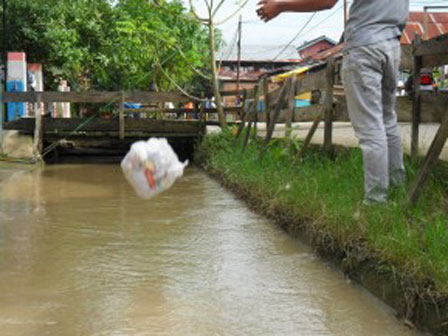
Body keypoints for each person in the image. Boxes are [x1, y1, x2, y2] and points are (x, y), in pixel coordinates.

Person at [257, 0, 409, 205]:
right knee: (387, 120)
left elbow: (327, 1)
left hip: (365, 46)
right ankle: (398, 189)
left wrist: (280, 5)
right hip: (391, 46)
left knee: (370, 128)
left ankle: (376, 200)